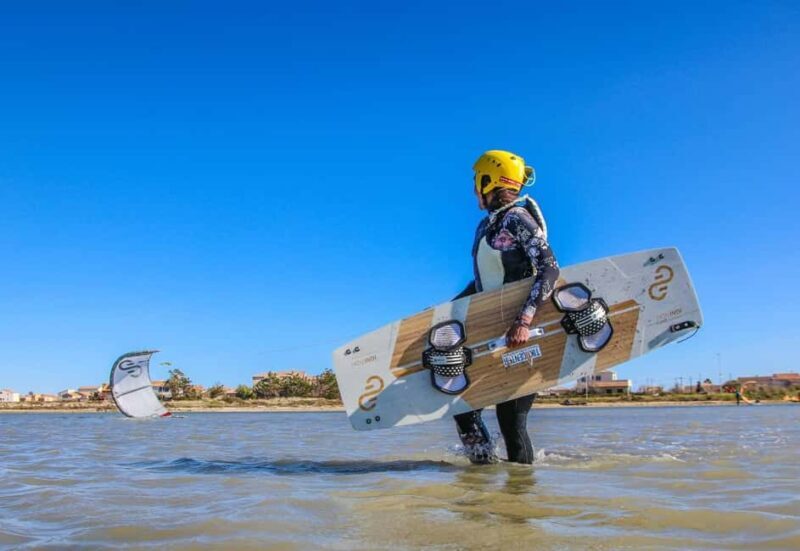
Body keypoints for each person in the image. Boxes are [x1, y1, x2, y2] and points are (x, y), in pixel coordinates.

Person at [453, 150, 560, 464]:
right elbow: (482, 284)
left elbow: (549, 268)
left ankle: (517, 503)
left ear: (488, 180)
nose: (475, 190)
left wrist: (524, 321)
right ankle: (484, 473)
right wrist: (448, 313)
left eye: (477, 182)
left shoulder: (517, 218)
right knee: (464, 408)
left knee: (511, 422)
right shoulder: (486, 227)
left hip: (523, 337)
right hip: (491, 338)